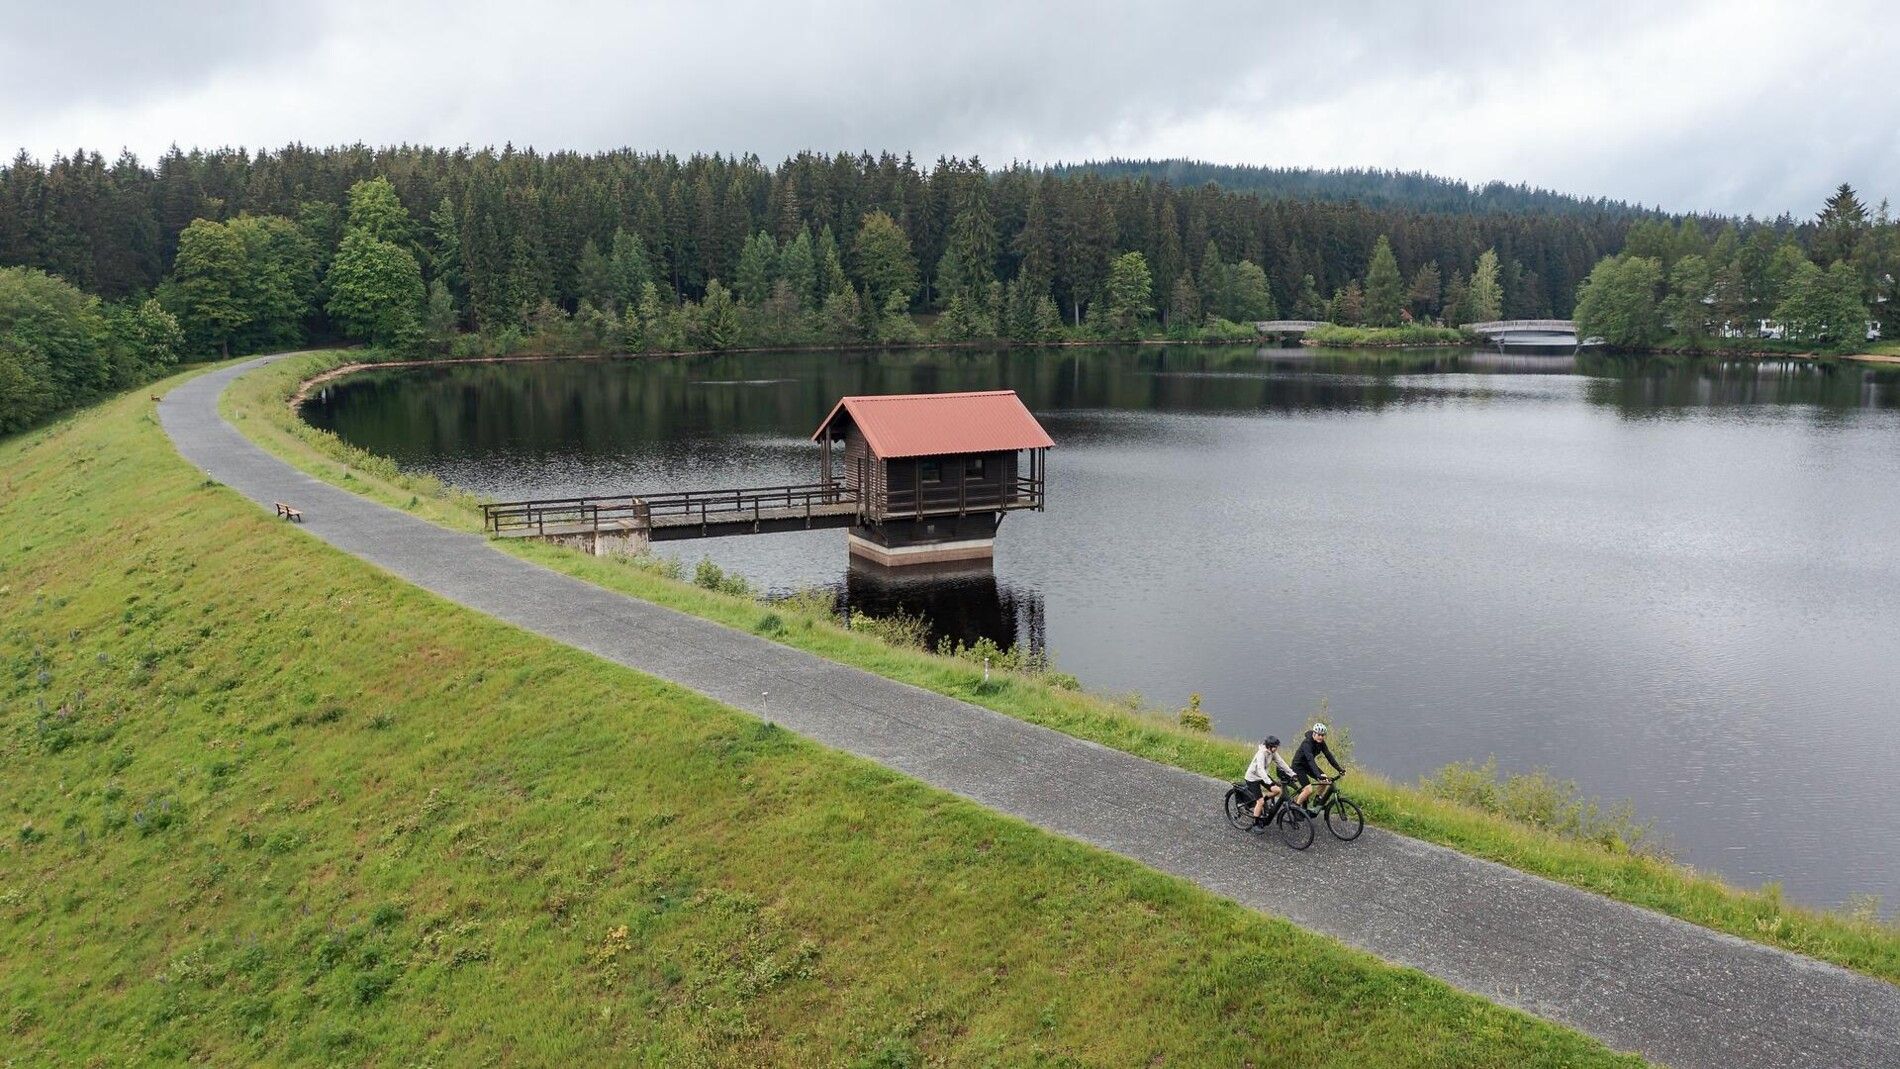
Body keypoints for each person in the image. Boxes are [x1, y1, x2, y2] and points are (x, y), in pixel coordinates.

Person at [1292, 722, 1345, 812]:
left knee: (1325, 780)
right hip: (1298, 766)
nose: (1321, 737)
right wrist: (1317, 775)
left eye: (1322, 735)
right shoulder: (1307, 743)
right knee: (1308, 790)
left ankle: (1317, 799)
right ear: (1314, 733)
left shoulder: (1321, 743)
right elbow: (1310, 759)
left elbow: (1328, 756)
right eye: (1319, 735)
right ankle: (1295, 809)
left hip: (1308, 765)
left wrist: (1339, 769)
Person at [1243, 735, 1295, 828]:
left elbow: (1281, 762)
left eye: (1277, 746)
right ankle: (1255, 824)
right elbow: (1260, 769)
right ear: (1269, 746)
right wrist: (1269, 782)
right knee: (1260, 802)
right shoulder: (1261, 753)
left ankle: (1262, 800)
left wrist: (1292, 773)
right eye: (1275, 747)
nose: (1276, 748)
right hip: (1253, 778)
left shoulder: (1272, 752)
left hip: (1263, 776)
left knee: (1277, 790)